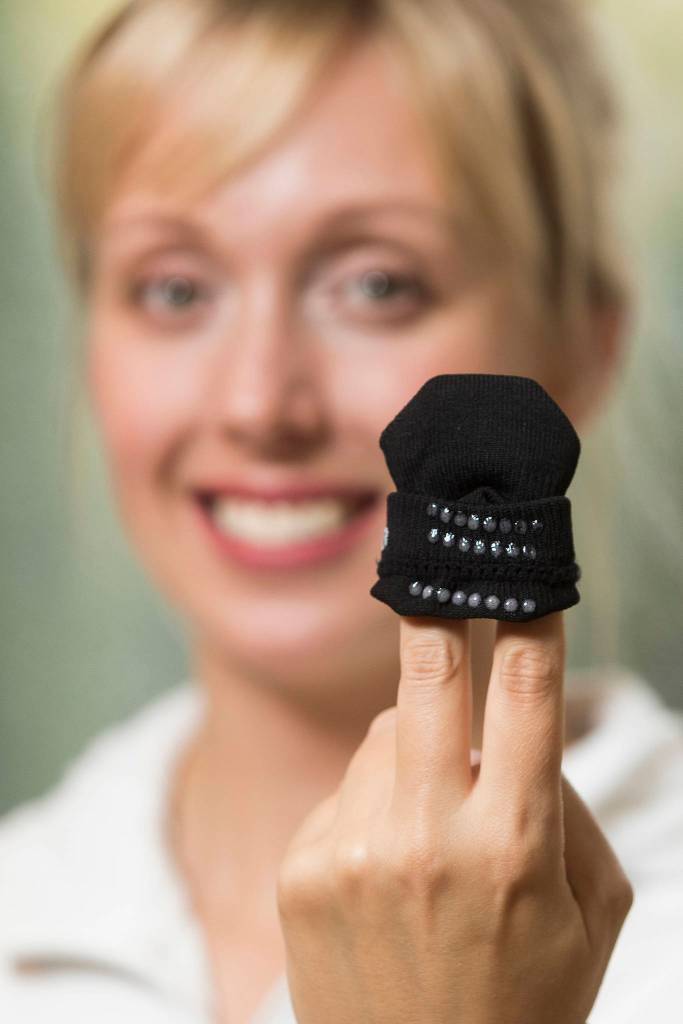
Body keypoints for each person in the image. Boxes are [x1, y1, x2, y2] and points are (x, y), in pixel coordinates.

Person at [1, 0, 682, 1021]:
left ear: (578, 346)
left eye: (375, 285)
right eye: (175, 290)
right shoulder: (26, 904)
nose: (259, 402)